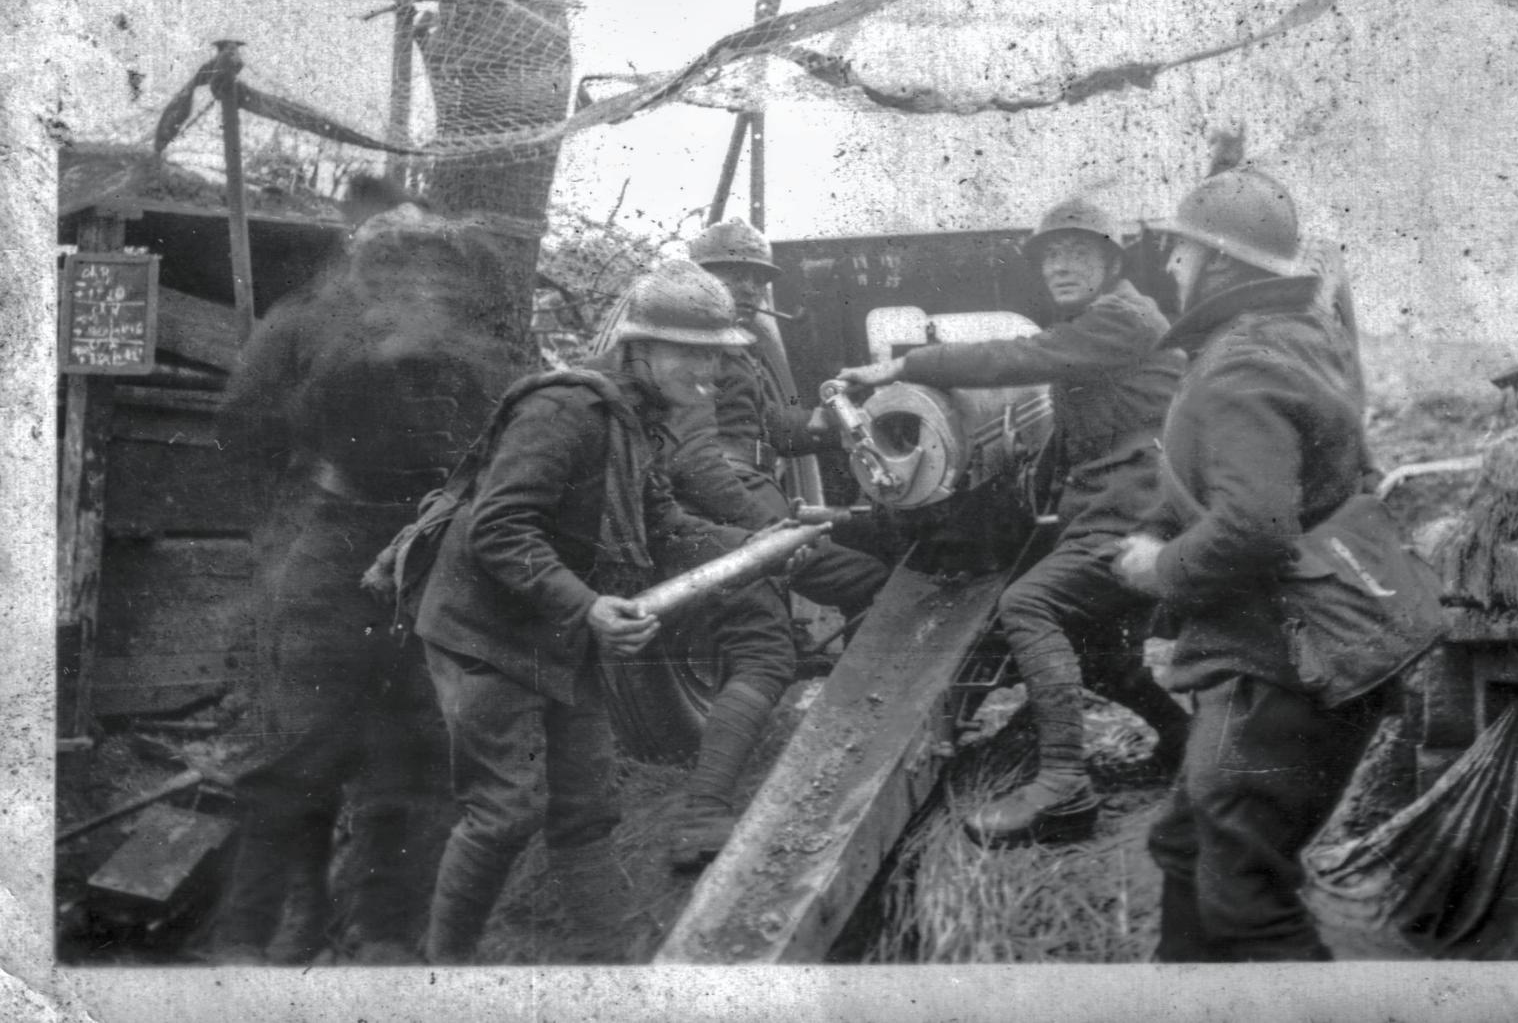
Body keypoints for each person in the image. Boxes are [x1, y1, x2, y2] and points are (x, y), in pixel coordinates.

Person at [413, 259, 800, 964]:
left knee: (587, 809)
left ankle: (620, 964)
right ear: (640, 349)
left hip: (559, 632)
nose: (709, 369)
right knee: (505, 812)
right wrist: (589, 607)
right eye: (693, 351)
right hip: (485, 634)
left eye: (718, 353)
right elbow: (499, 528)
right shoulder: (565, 409)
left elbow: (664, 525)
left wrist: (759, 545)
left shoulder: (636, 424)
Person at [210, 176, 528, 964]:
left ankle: (383, 933)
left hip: (440, 555)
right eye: (398, 261)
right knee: (303, 743)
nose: (418, 281)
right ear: (364, 259)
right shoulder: (306, 326)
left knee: (416, 749)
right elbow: (244, 426)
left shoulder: (479, 346)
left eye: (432, 266)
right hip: (335, 543)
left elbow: (510, 437)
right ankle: (255, 934)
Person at [837, 198, 1191, 847]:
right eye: (1051, 256)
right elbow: (1079, 431)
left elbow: (1015, 359)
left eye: (1078, 253)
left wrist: (903, 367)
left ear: (1111, 262)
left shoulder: (1122, 319)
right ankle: (1187, 742)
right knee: (1106, 658)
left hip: (1140, 515)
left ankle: (1064, 790)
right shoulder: (1095, 322)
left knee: (1028, 606)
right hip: (1116, 508)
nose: (1061, 266)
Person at [1110, 166, 1391, 962]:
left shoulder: (1242, 362)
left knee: (1247, 907)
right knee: (1186, 846)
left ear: (1220, 262)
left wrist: (1157, 566)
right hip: (1296, 649)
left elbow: (1256, 524)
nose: (1168, 267)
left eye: (1180, 251)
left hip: (1273, 669)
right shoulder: (1297, 342)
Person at [686, 219, 889, 634]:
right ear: (698, 280)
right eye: (735, 276)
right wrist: (762, 522)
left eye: (758, 280)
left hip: (749, 494)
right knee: (867, 578)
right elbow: (692, 453)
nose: (749, 290)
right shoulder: (688, 348)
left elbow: (769, 428)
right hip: (725, 505)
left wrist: (832, 423)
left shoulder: (735, 346)